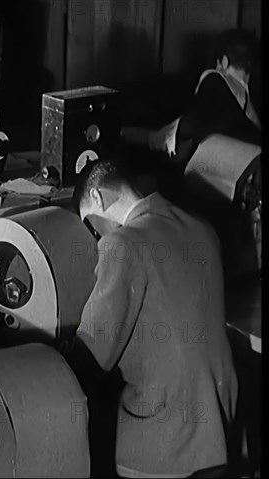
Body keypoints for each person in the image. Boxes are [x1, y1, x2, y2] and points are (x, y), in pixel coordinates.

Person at [64, 159, 238, 478]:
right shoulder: (199, 225)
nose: (95, 235)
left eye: (90, 223)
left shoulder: (122, 244)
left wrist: (50, 356)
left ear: (99, 197)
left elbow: (93, 357)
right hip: (219, 425)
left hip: (165, 438)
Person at [122, 28, 261, 168]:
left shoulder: (215, 78)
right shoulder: (249, 95)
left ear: (223, 62)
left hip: (210, 158)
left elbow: (196, 121)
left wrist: (157, 138)